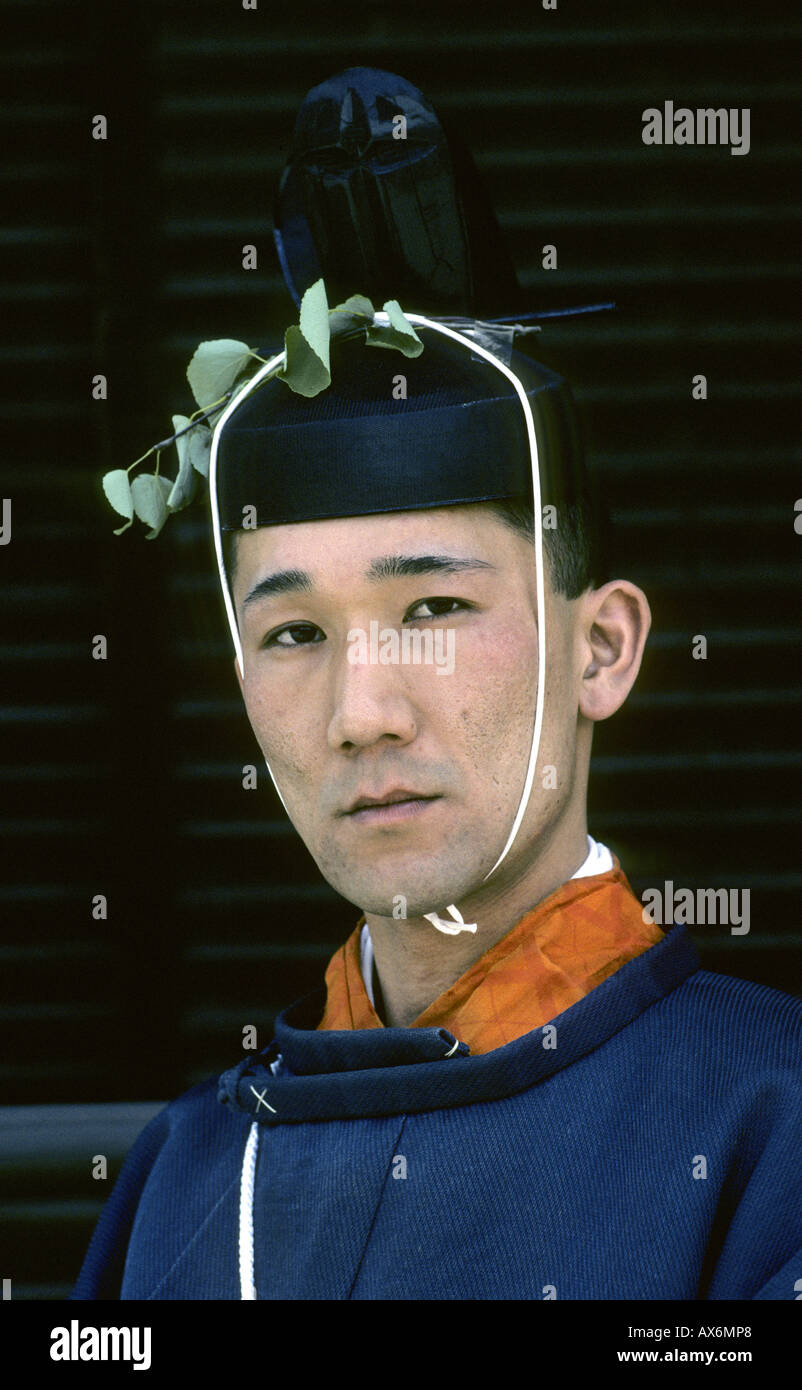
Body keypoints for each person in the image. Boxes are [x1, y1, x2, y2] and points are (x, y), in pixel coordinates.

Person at [70, 69, 801, 1302]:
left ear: (601, 649)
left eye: (433, 609)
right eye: (295, 632)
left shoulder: (764, 1127)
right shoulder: (188, 1173)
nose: (363, 712)